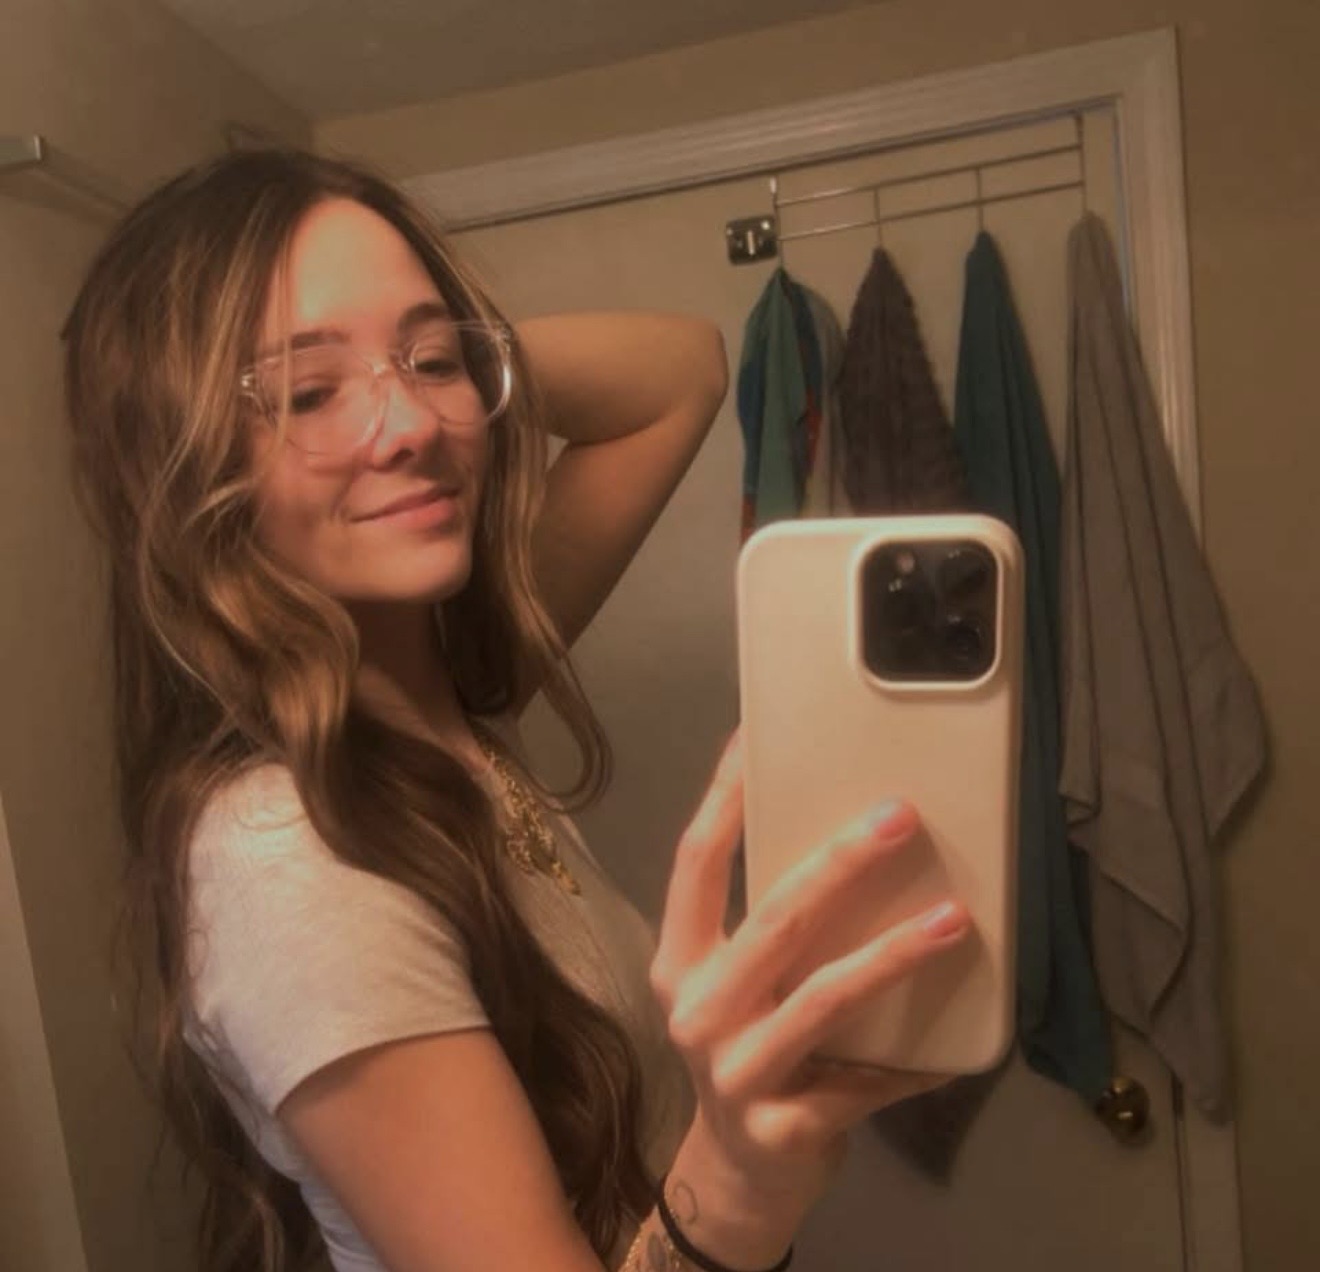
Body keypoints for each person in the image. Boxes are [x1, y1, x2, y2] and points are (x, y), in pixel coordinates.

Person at [61, 148, 972, 1272]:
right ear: (185, 459)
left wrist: (400, 368)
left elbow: (679, 370)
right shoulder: (289, 853)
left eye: (437, 359)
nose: (411, 425)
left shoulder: (445, 692)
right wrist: (739, 1184)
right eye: (306, 393)